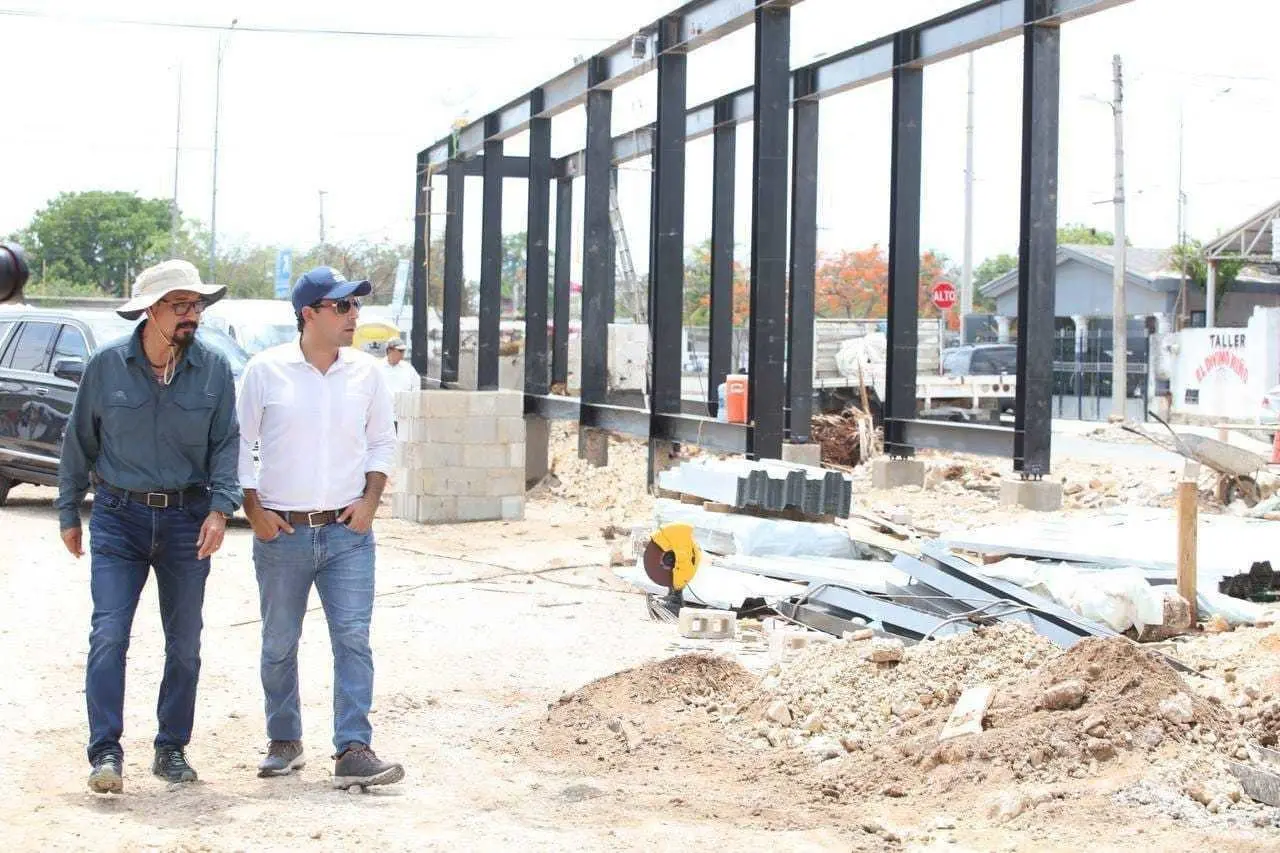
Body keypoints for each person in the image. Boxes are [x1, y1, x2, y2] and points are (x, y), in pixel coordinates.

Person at [57, 259, 241, 794]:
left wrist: (219, 508)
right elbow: (78, 442)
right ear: (150, 311)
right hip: (119, 519)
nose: (193, 315)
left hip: (187, 519)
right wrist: (69, 510)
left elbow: (226, 443)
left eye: (197, 305)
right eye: (180, 305)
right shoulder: (107, 365)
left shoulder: (213, 368)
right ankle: (105, 754)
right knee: (109, 635)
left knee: (185, 642)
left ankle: (171, 749)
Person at [236, 266, 403, 789]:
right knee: (279, 642)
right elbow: (240, 446)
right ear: (309, 314)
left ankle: (353, 747)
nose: (354, 316)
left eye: (356, 306)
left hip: (347, 534)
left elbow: (382, 442)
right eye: (342, 307)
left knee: (353, 638)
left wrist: (371, 502)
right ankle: (284, 739)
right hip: (282, 532)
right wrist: (253, 511)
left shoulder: (367, 374)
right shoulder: (265, 372)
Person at [377, 337, 420, 432]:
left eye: (403, 351)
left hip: (403, 418)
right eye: (400, 351)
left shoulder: (408, 369)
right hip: (382, 419)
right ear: (389, 350)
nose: (402, 354)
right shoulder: (377, 368)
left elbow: (416, 389)